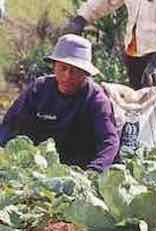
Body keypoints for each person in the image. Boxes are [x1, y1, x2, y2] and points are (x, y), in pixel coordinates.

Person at [0, 35, 119, 170]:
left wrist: (93, 171)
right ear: (54, 67)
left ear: (85, 73)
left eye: (75, 71)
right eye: (63, 68)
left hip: (78, 169)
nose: (68, 76)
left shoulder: (96, 100)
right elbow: (9, 125)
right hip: (38, 166)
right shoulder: (38, 89)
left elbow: (109, 143)